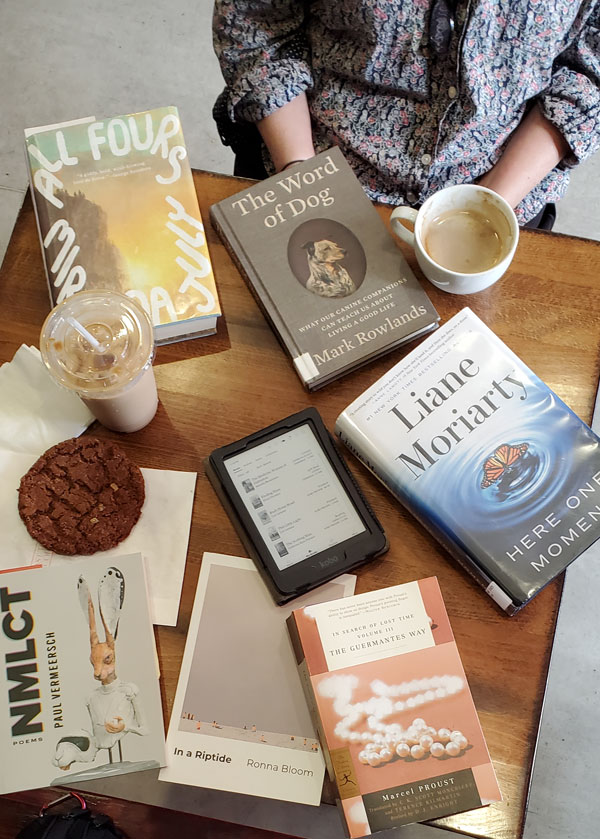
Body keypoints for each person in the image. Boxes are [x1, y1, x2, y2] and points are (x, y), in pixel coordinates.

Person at [212, 0, 600, 229]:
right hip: (309, 168)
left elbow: (590, 67)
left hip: (503, 193)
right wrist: (304, 181)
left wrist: (488, 207)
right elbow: (256, 25)